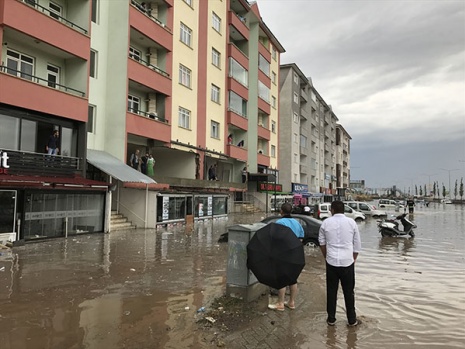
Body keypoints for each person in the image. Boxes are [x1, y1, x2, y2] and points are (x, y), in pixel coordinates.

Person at [319, 200, 361, 327]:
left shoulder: (326, 223)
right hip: (347, 262)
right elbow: (357, 245)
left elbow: (321, 242)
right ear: (344, 209)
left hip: (331, 262)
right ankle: (352, 320)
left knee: (331, 291)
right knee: (349, 292)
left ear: (332, 210)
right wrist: (352, 259)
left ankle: (331, 319)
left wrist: (327, 256)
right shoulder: (351, 222)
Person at [268, 202, 305, 312]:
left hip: (283, 254)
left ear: (281, 211)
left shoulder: (279, 222)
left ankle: (280, 304)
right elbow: (301, 238)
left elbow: (274, 238)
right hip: (296, 254)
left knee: (282, 278)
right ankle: (291, 302)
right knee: (293, 279)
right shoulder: (297, 223)